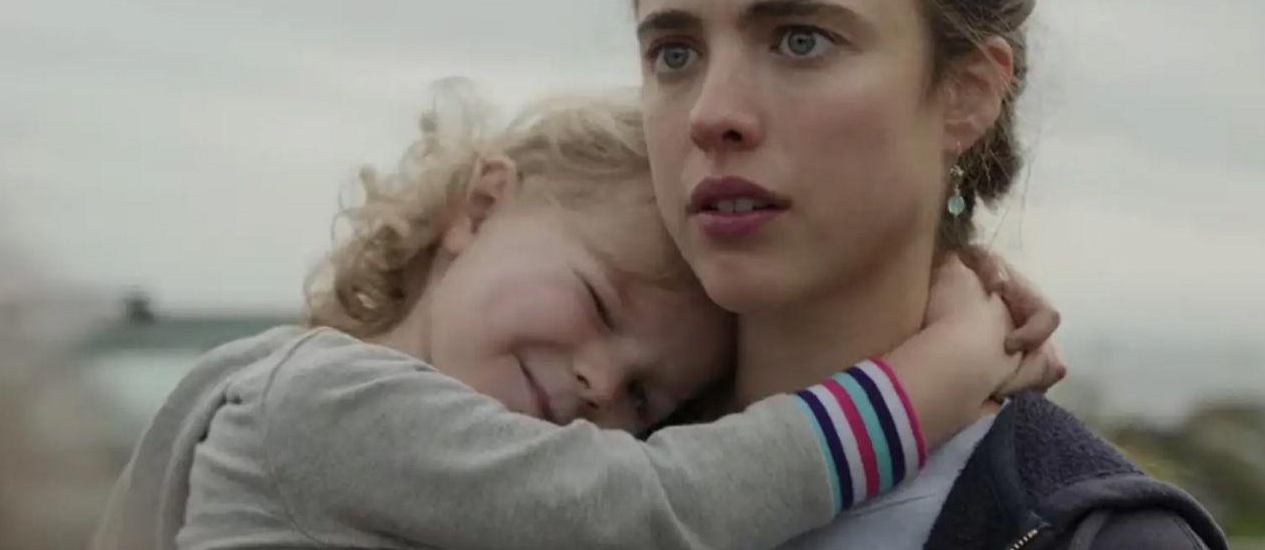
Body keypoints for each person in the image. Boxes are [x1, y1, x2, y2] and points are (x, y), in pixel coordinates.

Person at [93, 88, 1060, 550]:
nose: (601, 382)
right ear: (479, 208)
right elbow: (664, 502)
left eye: (643, 400)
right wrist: (947, 363)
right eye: (598, 301)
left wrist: (933, 267)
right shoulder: (324, 405)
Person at [631, 0, 1228, 548]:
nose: (711, 114)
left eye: (800, 40)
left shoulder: (1105, 539)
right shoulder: (553, 453)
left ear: (966, 95)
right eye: (674, 53)